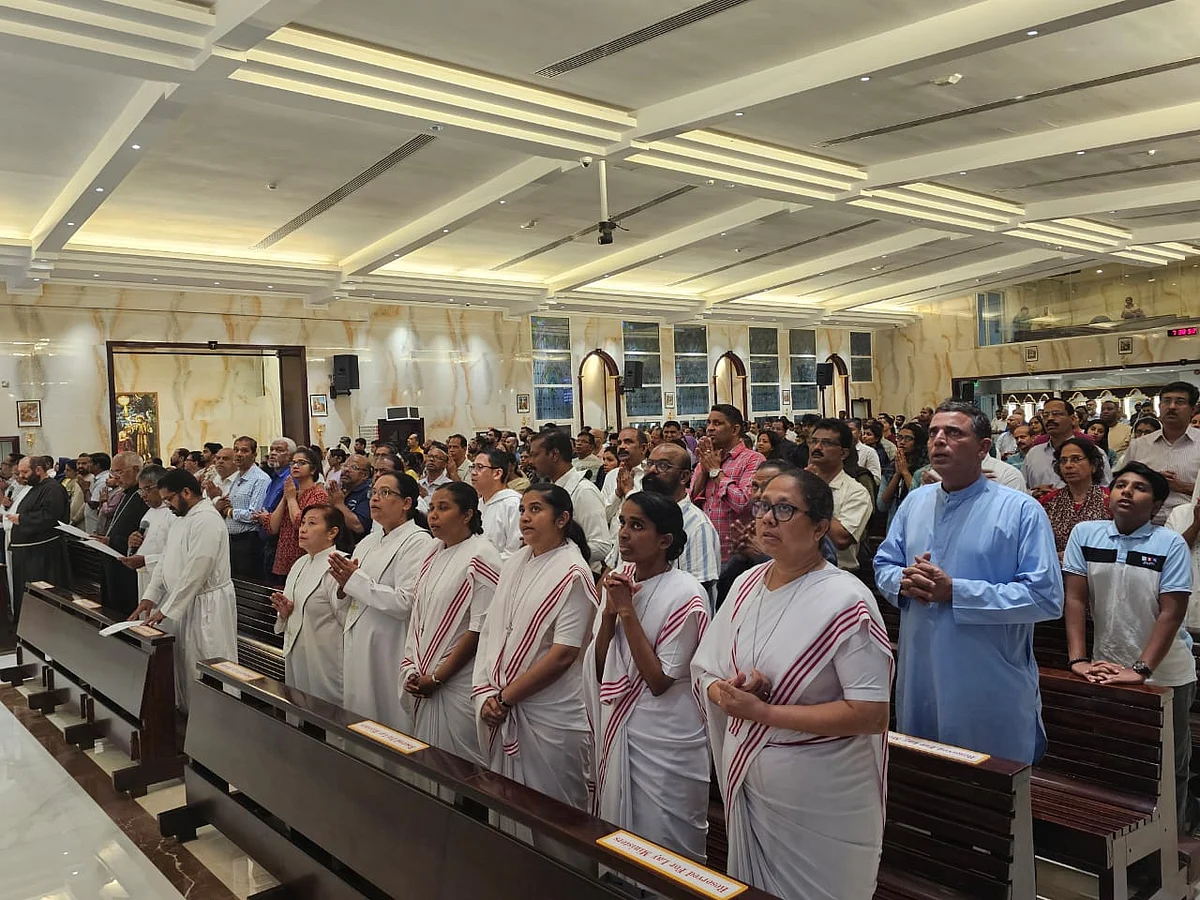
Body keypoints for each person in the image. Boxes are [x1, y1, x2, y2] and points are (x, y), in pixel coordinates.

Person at [693, 469, 892, 899]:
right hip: (753, 788)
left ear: (820, 527)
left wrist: (764, 713)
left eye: (784, 509)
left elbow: (871, 713)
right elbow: (704, 668)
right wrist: (731, 690)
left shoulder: (847, 600)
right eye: (763, 505)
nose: (766, 518)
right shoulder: (745, 584)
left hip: (822, 799)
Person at [874, 401, 1062, 763]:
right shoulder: (916, 502)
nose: (938, 441)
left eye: (953, 433)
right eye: (933, 433)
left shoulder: (1020, 510)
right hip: (921, 670)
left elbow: (1045, 596)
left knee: (990, 783)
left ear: (983, 449)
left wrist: (956, 592)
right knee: (928, 780)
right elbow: (884, 562)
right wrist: (902, 580)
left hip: (987, 675)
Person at [1063, 462, 1194, 832]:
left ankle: (1174, 842)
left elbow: (1172, 611)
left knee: (1170, 762)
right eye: (1120, 485)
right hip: (1106, 668)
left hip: (1166, 672)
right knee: (1120, 756)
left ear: (1155, 504)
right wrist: (1078, 659)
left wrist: (1141, 670)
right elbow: (1074, 599)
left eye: (1139, 488)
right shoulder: (1086, 534)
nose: (1126, 491)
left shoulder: (1168, 543)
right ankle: (1128, 835)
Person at [585, 492, 710, 861]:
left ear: (665, 540)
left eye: (636, 525)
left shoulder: (687, 594)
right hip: (622, 727)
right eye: (622, 522)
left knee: (666, 847)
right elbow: (600, 669)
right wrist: (608, 614)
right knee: (621, 845)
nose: (623, 533)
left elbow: (658, 681)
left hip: (666, 737)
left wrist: (625, 612)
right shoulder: (619, 579)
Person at [472, 484, 598, 816]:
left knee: (555, 819)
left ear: (562, 519)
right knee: (508, 812)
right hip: (503, 699)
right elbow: (494, 630)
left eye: (536, 509)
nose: (525, 518)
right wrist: (487, 690)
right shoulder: (516, 561)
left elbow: (563, 655)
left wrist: (505, 697)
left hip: (549, 714)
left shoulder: (573, 572)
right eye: (523, 510)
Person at [401, 483, 501, 766]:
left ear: (467, 514)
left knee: (459, 769)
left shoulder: (482, 555)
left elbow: (481, 629)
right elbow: (420, 615)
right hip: (425, 673)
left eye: (443, 508)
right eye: (431, 508)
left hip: (460, 680)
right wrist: (413, 666)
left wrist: (439, 677)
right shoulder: (433, 551)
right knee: (428, 764)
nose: (433, 515)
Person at [330, 471, 434, 732]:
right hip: (360, 636)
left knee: (388, 716)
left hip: (389, 643)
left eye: (385, 493)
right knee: (360, 711)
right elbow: (350, 591)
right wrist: (343, 588)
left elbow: (405, 602)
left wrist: (353, 581)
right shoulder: (368, 541)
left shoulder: (418, 541)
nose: (375, 498)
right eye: (373, 492)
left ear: (407, 503)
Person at [128, 469, 237, 712]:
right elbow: (166, 560)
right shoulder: (181, 519)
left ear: (186, 492)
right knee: (185, 665)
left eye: (169, 499)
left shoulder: (207, 520)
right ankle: (189, 717)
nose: (166, 505)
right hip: (184, 603)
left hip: (206, 605)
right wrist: (150, 597)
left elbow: (197, 571)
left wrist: (166, 609)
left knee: (207, 661)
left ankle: (215, 721)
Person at [270, 505, 348, 705]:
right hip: (296, 649)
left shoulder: (339, 565)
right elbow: (290, 606)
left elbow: (347, 617)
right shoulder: (300, 563)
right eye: (303, 523)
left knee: (326, 713)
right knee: (297, 705)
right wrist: (284, 612)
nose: (302, 529)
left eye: (312, 523)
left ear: (332, 532)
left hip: (326, 655)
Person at [640, 442, 721, 598]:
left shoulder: (697, 526)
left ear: (684, 477)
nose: (651, 470)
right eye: (649, 463)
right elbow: (612, 570)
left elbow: (697, 593)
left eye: (662, 465)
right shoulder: (638, 516)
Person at [525, 430, 611, 572]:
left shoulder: (583, 491)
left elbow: (602, 546)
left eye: (535, 455)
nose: (530, 461)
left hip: (579, 574)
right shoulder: (550, 488)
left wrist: (557, 550)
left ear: (554, 454)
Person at [690, 405, 764, 564]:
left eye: (717, 423)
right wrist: (704, 470)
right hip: (706, 552)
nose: (709, 428)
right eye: (708, 423)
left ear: (735, 429)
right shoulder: (707, 459)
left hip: (737, 554)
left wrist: (716, 472)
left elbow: (744, 503)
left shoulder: (753, 460)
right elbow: (691, 502)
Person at [4, 455, 71, 622]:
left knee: (40, 597)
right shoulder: (34, 488)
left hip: (42, 555)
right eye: (19, 472)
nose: (21, 476)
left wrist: (22, 519)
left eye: (25, 472)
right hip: (27, 552)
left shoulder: (53, 489)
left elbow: (51, 516)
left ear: (39, 470)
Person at [1125, 382, 1200, 525]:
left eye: (1180, 402)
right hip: (1143, 522)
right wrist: (1152, 481)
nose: (1171, 407)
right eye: (1166, 401)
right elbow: (1119, 482)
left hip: (1190, 524)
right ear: (1159, 407)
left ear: (1192, 410)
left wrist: (1181, 487)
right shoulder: (1139, 445)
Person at [805, 419, 872, 571]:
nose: (817, 447)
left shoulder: (856, 492)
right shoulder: (797, 483)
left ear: (843, 453)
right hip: (796, 570)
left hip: (838, 574)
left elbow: (841, 539)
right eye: (813, 441)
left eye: (826, 443)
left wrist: (813, 493)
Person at [1024, 398, 1112, 498]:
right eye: (1045, 415)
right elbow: (1022, 489)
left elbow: (1106, 490)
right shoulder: (1033, 454)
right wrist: (1033, 494)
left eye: (1056, 414)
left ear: (1073, 419)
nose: (1050, 419)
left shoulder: (1093, 452)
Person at [1038, 437, 1111, 557]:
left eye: (1076, 459)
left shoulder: (1110, 500)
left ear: (1093, 465)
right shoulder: (1048, 501)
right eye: (1063, 461)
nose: (1068, 465)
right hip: (1057, 568)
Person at [265, 447, 329, 583]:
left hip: (304, 556)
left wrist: (291, 499)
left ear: (313, 469)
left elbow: (300, 523)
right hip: (284, 557)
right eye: (293, 463)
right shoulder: (292, 492)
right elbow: (272, 527)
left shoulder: (318, 494)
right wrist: (286, 497)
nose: (295, 466)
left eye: (301, 463)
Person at [95, 451, 147, 618]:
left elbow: (143, 535)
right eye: (113, 472)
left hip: (129, 565)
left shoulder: (143, 497)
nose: (115, 477)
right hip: (113, 559)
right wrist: (107, 539)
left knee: (125, 610)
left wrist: (114, 540)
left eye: (119, 471)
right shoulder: (126, 493)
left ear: (136, 469)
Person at [215, 436, 272, 579]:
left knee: (247, 583)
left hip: (248, 542)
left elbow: (254, 514)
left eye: (244, 450)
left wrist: (228, 511)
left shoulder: (260, 479)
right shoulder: (238, 478)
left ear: (254, 455)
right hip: (232, 540)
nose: (239, 454)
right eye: (236, 450)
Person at [119, 465, 174, 597]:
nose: (143, 495)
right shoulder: (149, 512)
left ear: (162, 486)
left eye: (147, 489)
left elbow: (176, 555)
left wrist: (146, 560)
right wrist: (132, 543)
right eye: (140, 490)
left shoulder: (173, 514)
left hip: (167, 582)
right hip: (145, 578)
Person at [471, 448, 522, 561]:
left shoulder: (513, 504)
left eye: (480, 467)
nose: (473, 472)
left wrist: (479, 562)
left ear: (497, 473)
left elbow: (516, 552)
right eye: (473, 467)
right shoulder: (478, 504)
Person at [876, 422, 928, 528]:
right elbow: (882, 505)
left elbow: (920, 499)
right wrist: (897, 474)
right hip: (895, 524)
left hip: (917, 524)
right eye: (899, 438)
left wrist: (905, 472)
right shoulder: (891, 467)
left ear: (918, 442)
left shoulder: (926, 469)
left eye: (908, 439)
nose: (902, 442)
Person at [601, 427, 648, 524]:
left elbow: (648, 515)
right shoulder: (612, 475)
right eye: (619, 443)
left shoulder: (650, 475)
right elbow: (602, 517)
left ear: (643, 448)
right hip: (613, 538)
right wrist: (617, 493)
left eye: (628, 442)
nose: (622, 447)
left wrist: (628, 491)